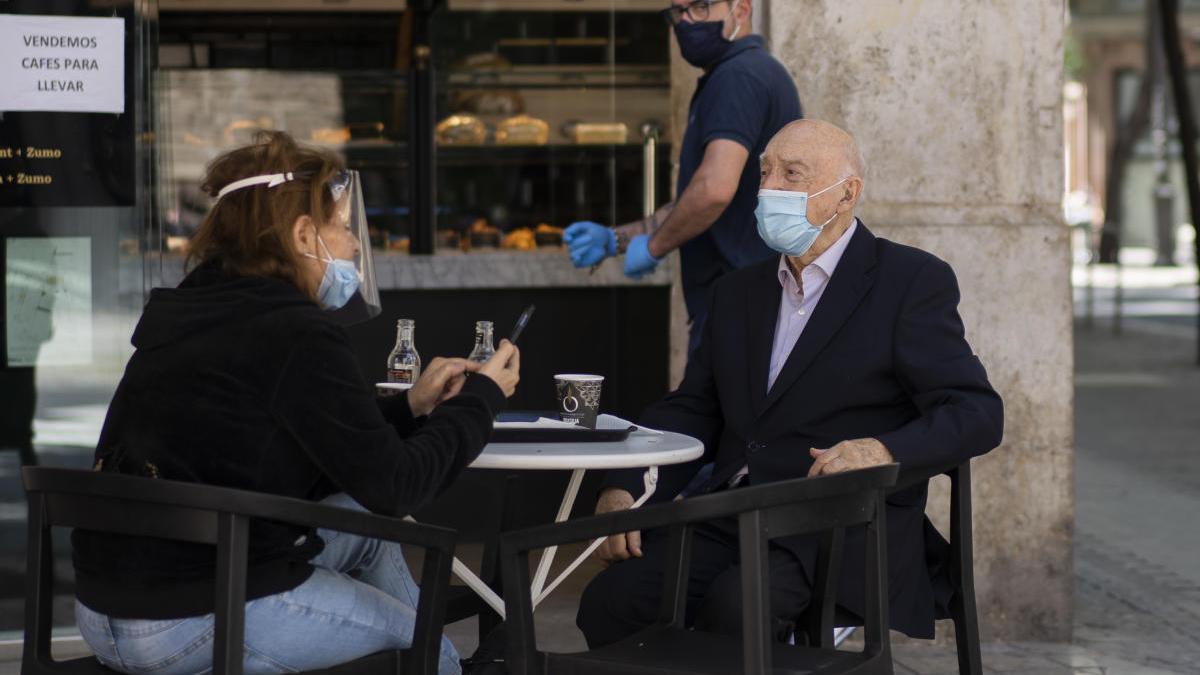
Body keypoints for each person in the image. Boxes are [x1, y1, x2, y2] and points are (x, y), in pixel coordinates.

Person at [70, 131, 520, 675]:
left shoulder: (194, 309)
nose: (354, 245)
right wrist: (481, 400)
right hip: (190, 616)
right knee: (425, 642)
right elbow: (396, 485)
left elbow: (313, 445)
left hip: (108, 609)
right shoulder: (296, 332)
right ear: (305, 234)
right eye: (344, 227)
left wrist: (411, 408)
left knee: (366, 532)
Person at [576, 120, 1004, 646]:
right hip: (733, 513)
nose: (769, 187)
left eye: (792, 174)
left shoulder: (909, 282)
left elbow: (976, 412)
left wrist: (882, 449)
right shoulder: (738, 292)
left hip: (838, 527)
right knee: (612, 603)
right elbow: (693, 408)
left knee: (735, 609)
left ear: (846, 194)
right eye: (765, 172)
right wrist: (627, 486)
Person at [563, 0, 801, 351]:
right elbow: (698, 197)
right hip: (744, 301)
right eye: (678, 12)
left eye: (700, 7)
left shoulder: (738, 76)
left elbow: (714, 189)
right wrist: (619, 239)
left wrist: (656, 246)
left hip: (739, 303)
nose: (687, 21)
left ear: (742, 10)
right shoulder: (742, 72)